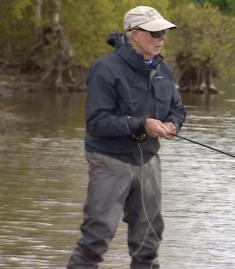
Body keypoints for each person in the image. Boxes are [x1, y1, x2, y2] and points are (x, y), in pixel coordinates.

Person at [67, 6, 186, 269]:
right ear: (134, 34)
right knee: (95, 240)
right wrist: (141, 124)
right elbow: (97, 123)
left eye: (163, 33)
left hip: (149, 162)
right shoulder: (105, 69)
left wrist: (172, 125)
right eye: (155, 33)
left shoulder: (164, 69)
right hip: (109, 161)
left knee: (148, 244)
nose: (161, 38)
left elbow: (178, 110)